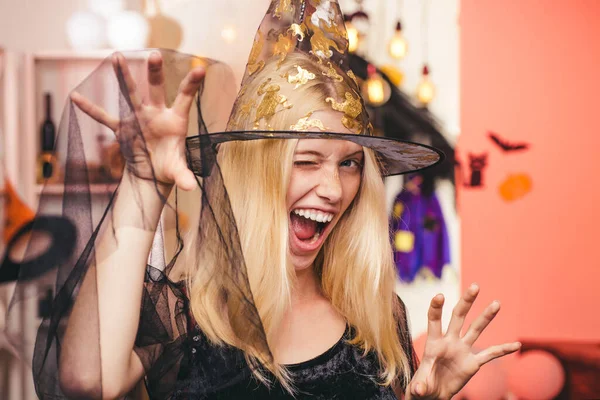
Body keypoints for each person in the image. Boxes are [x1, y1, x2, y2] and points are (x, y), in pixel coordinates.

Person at [4, 1, 520, 399]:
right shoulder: (187, 314)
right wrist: (142, 181)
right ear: (258, 173)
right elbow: (84, 382)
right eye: (307, 160)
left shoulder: (379, 318)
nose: (335, 188)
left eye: (349, 163)